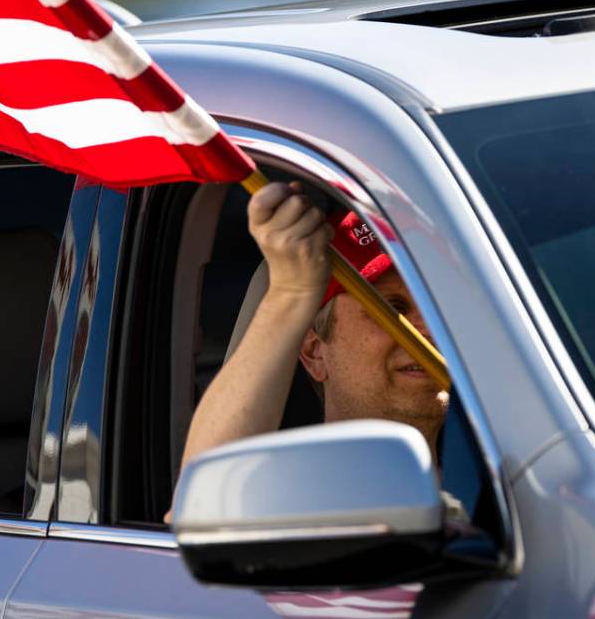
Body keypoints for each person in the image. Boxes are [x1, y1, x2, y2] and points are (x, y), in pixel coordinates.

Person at [178, 181, 450, 477]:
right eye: (393, 308)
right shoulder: (277, 496)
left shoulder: (497, 484)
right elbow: (209, 493)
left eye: (439, 306)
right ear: (314, 351)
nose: (429, 329)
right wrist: (290, 294)